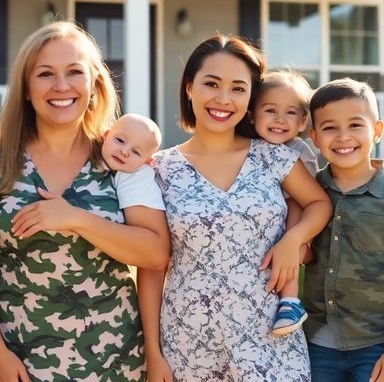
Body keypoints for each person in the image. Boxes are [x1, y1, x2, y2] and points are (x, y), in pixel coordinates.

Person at [0, 21, 170, 382]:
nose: (61, 86)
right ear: (27, 89)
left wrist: (76, 218)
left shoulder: (119, 159)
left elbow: (155, 255)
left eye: (74, 72)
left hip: (117, 361)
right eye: (45, 73)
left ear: (94, 84)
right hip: (23, 359)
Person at [139, 35, 332, 382]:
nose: (223, 99)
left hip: (269, 339)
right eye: (211, 84)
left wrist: (293, 240)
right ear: (189, 88)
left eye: (238, 88)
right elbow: (152, 267)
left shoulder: (273, 156)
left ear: (250, 98)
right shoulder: (159, 170)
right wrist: (153, 353)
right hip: (188, 343)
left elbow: (319, 203)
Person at [302, 78, 384, 382]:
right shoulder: (309, 191)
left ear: (377, 130)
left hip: (375, 344)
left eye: (355, 125)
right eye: (330, 127)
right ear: (314, 137)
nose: (343, 136)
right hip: (316, 343)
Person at [250, 70, 320, 336]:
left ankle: (290, 301)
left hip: (299, 222)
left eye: (290, 113)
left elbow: (308, 198)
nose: (280, 119)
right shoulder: (250, 147)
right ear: (252, 115)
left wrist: (297, 241)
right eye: (270, 110)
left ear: (302, 121)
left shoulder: (299, 151)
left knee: (294, 209)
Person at [101, 113, 166, 216]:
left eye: (136, 152)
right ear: (106, 135)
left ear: (147, 161)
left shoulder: (139, 178)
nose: (124, 152)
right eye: (120, 140)